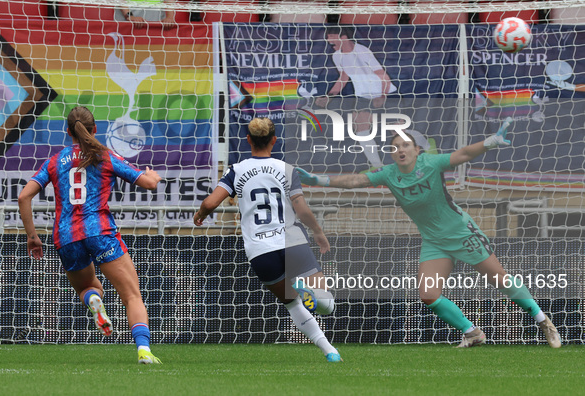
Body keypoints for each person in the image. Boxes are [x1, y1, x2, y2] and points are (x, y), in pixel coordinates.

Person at [297, 119, 562, 348]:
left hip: (461, 232)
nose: (400, 150)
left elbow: (463, 154)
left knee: (500, 279)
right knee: (429, 295)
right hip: (435, 241)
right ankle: (473, 333)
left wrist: (490, 142)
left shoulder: (431, 163)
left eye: (405, 145)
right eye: (395, 147)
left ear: (417, 150)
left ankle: (543, 321)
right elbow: (355, 180)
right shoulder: (389, 174)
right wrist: (316, 180)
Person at [18, 106, 163, 363]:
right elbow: (148, 183)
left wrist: (32, 237)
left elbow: (23, 196)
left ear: (67, 132)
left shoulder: (55, 161)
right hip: (100, 232)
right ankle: (144, 350)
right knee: (131, 296)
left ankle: (94, 299)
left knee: (87, 286)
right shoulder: (104, 156)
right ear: (94, 129)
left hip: (66, 237)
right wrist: (152, 175)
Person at [193, 117, 342, 362]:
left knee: (292, 304)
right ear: (274, 140)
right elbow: (302, 209)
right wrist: (317, 231)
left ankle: (330, 352)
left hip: (260, 251)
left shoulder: (236, 170)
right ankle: (311, 296)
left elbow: (210, 203)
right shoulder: (286, 169)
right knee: (326, 303)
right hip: (291, 241)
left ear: (248, 139)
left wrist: (201, 214)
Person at [315, 25, 397, 169]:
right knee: (361, 130)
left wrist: (382, 96)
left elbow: (383, 76)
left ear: (344, 38)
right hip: (363, 97)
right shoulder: (337, 55)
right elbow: (343, 77)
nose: (328, 40)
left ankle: (427, 145)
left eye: (332, 36)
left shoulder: (363, 52)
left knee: (396, 130)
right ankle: (378, 168)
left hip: (386, 93)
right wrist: (329, 96)